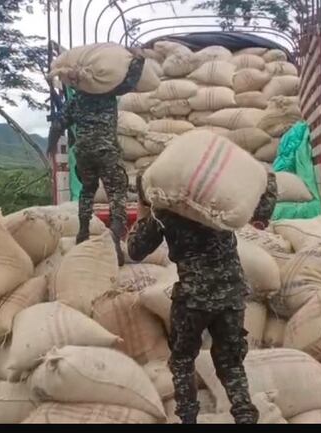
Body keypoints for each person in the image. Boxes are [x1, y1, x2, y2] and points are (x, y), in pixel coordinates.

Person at [127, 172, 278, 424]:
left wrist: (144, 212)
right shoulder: (217, 202)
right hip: (231, 295)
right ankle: (244, 416)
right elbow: (262, 206)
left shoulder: (165, 213)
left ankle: (188, 419)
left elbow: (135, 250)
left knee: (183, 361)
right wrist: (264, 179)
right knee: (231, 364)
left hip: (193, 298)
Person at [47, 51, 146, 265]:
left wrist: (50, 147)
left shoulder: (76, 101)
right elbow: (129, 83)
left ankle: (83, 232)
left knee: (87, 190)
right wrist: (139, 60)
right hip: (106, 151)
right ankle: (115, 238)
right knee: (117, 193)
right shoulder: (108, 92)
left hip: (83, 152)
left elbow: (57, 125)